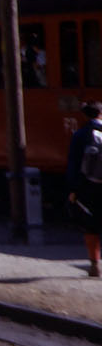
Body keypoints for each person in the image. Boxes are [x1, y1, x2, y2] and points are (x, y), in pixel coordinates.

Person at [66, 100, 102, 279]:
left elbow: (73, 164)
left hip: (90, 186)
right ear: (101, 114)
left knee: (91, 225)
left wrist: (73, 189)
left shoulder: (80, 135)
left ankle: (95, 265)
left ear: (85, 115)